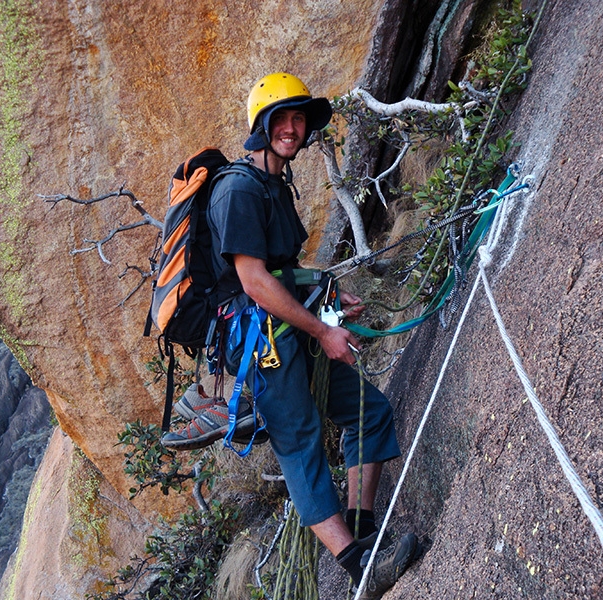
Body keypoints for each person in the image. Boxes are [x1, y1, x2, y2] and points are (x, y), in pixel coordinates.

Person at [165, 72, 417, 597]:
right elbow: (253, 282)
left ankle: (363, 530)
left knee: (369, 411)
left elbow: (279, 271)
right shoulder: (237, 189)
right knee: (299, 442)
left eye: (300, 119)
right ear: (261, 125)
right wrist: (324, 331)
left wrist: (324, 292)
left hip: (286, 324)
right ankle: (361, 571)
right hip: (259, 340)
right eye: (282, 118)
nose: (293, 127)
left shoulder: (273, 185)